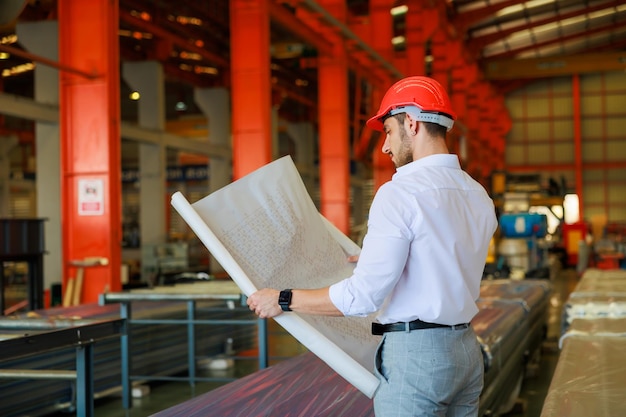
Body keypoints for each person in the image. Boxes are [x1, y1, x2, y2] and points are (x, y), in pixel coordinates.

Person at [247, 76, 498, 417]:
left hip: (417, 358)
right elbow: (444, 254)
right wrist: (382, 257)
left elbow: (362, 297)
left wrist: (283, 299)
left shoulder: (399, 193)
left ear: (411, 123)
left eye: (388, 132)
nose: (385, 146)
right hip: (465, 353)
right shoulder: (477, 195)